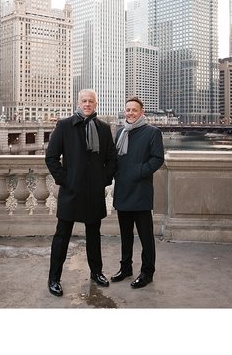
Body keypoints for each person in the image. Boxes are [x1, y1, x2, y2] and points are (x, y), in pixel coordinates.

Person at [45, 89, 117, 297]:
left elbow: (112, 159)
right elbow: (51, 157)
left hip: (94, 192)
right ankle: (54, 279)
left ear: (96, 104)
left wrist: (103, 179)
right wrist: (65, 180)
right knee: (62, 236)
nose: (87, 104)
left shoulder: (103, 128)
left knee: (94, 235)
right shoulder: (65, 125)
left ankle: (96, 272)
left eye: (91, 101)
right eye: (84, 101)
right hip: (71, 191)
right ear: (78, 102)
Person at [110, 96, 164, 289]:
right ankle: (125, 268)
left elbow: (157, 159)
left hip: (141, 191)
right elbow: (115, 158)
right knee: (125, 235)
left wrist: (138, 172)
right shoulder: (120, 132)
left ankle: (147, 272)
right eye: (128, 110)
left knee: (146, 237)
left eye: (134, 110)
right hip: (123, 190)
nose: (130, 113)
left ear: (142, 112)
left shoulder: (152, 132)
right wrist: (116, 173)